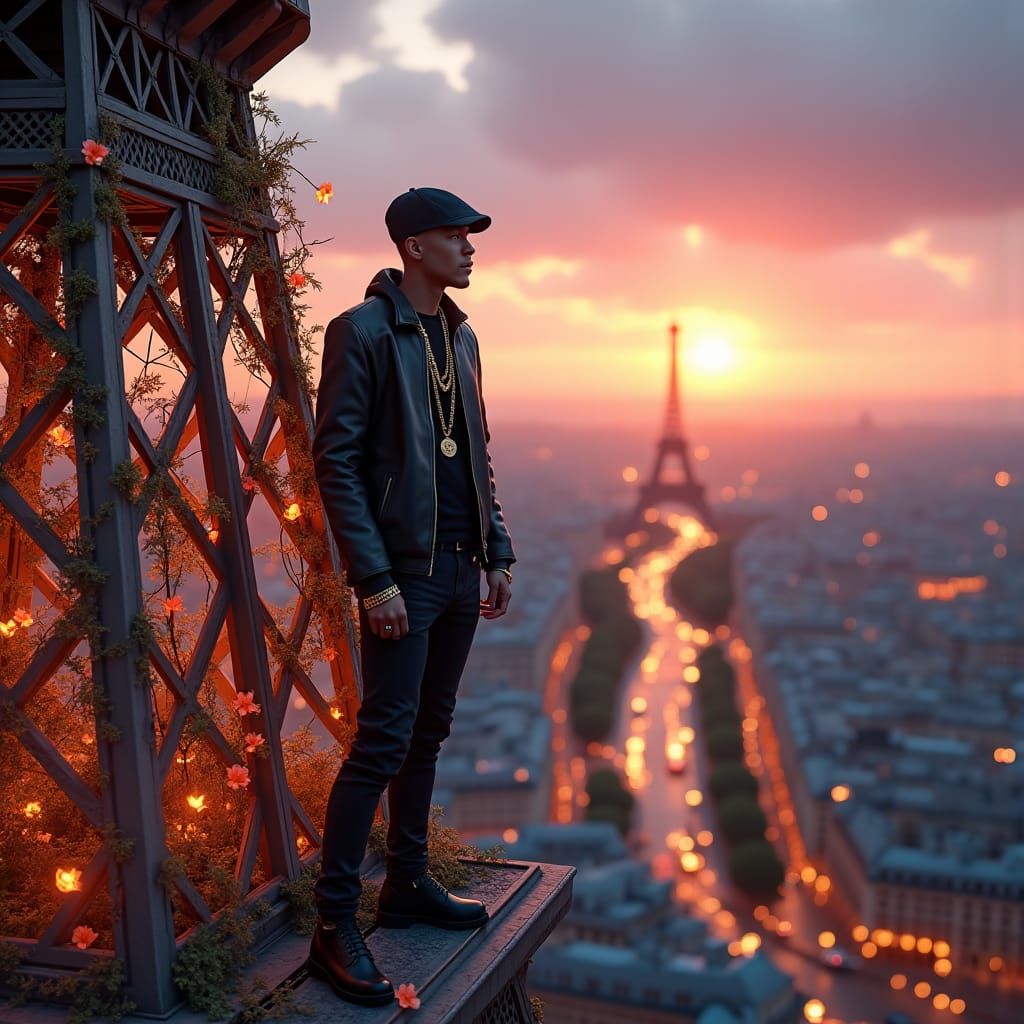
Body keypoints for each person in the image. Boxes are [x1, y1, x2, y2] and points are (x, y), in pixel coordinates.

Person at [307, 187, 516, 1006]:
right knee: (383, 742)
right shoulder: (359, 333)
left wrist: (496, 549)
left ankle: (406, 882)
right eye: (456, 235)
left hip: (460, 568)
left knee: (427, 731)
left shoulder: (461, 337)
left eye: (469, 236)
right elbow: (338, 463)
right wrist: (375, 578)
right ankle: (333, 923)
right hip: (406, 574)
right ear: (414, 245)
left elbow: (478, 456)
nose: (470, 248)